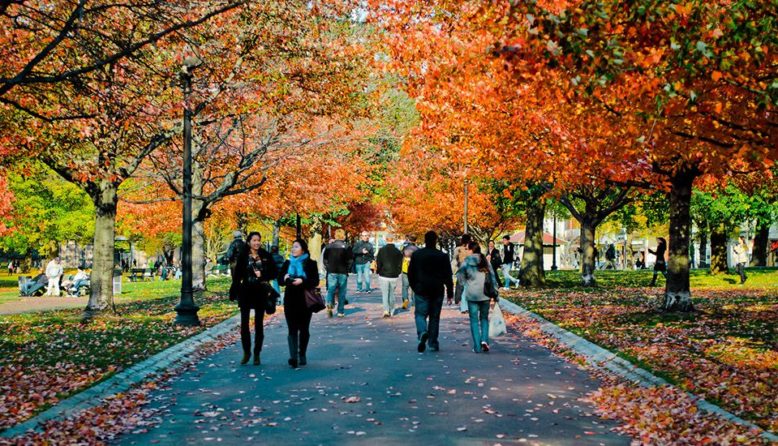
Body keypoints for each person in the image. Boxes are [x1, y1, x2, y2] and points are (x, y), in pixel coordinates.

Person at [229, 232, 278, 366]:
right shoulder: (243, 256)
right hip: (246, 291)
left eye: (258, 240)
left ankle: (257, 353)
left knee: (259, 324)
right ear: (249, 242)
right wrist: (233, 291)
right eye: (254, 240)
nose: (257, 243)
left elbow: (274, 272)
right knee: (244, 324)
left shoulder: (265, 256)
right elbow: (237, 275)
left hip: (260, 291)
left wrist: (263, 274)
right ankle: (246, 351)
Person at [408, 231, 454, 353]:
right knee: (434, 317)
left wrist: (414, 287)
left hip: (421, 288)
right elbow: (448, 276)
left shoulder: (417, 255)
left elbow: (411, 273)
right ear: (436, 240)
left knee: (420, 314)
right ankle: (433, 342)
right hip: (437, 289)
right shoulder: (442, 256)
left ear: (425, 240)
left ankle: (422, 332)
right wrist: (450, 293)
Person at [278, 239, 319, 368]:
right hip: (290, 300)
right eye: (292, 247)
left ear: (303, 249)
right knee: (292, 329)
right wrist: (284, 278)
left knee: (304, 329)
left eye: (296, 247)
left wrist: (302, 281)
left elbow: (315, 281)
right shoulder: (287, 263)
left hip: (305, 300)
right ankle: (293, 357)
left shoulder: (311, 263)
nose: (293, 249)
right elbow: (279, 280)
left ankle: (302, 353)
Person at [458, 241, 499, 353]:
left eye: (467, 249)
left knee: (474, 321)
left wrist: (462, 289)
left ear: (471, 250)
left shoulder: (466, 261)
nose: (466, 251)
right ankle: (484, 340)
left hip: (472, 295)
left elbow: (460, 278)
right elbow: (493, 277)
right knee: (484, 318)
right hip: (485, 294)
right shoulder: (485, 260)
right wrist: (496, 295)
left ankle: (477, 346)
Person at [323, 229, 353, 318]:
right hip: (343, 271)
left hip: (331, 271)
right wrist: (348, 269)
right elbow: (350, 260)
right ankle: (340, 311)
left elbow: (325, 260)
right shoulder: (347, 247)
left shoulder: (329, 247)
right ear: (343, 236)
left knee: (331, 289)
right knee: (342, 291)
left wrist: (328, 267)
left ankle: (329, 304)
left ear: (335, 236)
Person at [376, 234, 404, 318]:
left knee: (385, 293)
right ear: (393, 239)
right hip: (394, 275)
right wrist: (398, 272)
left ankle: (386, 310)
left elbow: (379, 262)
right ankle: (391, 309)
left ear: (386, 239)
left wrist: (379, 271)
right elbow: (400, 263)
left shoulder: (381, 250)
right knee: (392, 293)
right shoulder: (397, 251)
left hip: (383, 274)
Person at [452, 234, 472, 313]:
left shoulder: (458, 249)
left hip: (461, 270)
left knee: (463, 289)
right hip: (470, 271)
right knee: (467, 289)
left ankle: (464, 307)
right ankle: (466, 307)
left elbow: (454, 259)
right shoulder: (471, 249)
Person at [400, 235, 419, 310]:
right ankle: (414, 302)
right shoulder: (418, 249)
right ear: (416, 240)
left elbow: (400, 254)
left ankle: (405, 300)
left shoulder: (404, 247)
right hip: (415, 270)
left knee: (405, 286)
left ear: (408, 239)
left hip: (405, 268)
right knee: (414, 286)